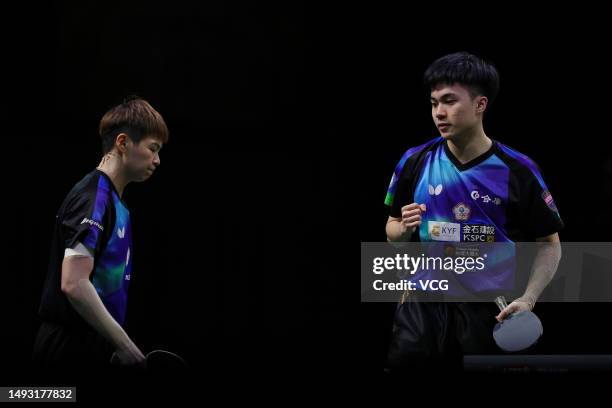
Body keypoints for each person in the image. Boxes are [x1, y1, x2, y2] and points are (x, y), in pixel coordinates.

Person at [384, 52, 563, 372]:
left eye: (450, 101)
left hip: (489, 311)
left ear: (480, 104)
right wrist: (404, 230)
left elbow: (549, 244)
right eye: (434, 102)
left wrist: (530, 298)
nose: (439, 112)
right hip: (422, 309)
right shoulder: (414, 160)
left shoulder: (517, 169)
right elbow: (393, 232)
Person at [33, 96, 168, 377]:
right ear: (122, 143)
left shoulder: (118, 205)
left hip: (95, 346)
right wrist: (125, 345)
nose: (157, 160)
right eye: (153, 148)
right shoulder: (94, 196)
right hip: (67, 349)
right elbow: (74, 282)